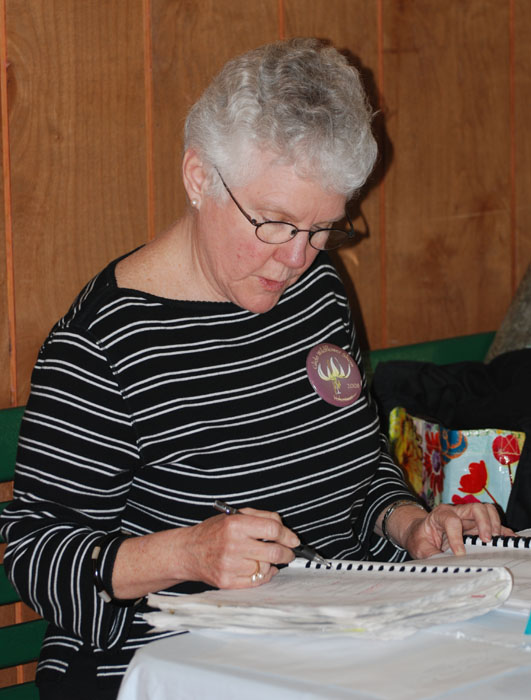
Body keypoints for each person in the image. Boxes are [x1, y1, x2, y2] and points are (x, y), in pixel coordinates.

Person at [0, 38, 510, 699]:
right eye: (274, 223)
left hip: (335, 645)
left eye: (321, 229)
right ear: (198, 178)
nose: (296, 258)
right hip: (162, 667)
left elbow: (357, 465)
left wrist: (411, 523)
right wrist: (187, 553)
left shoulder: (317, 294)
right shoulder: (103, 345)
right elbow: (35, 555)